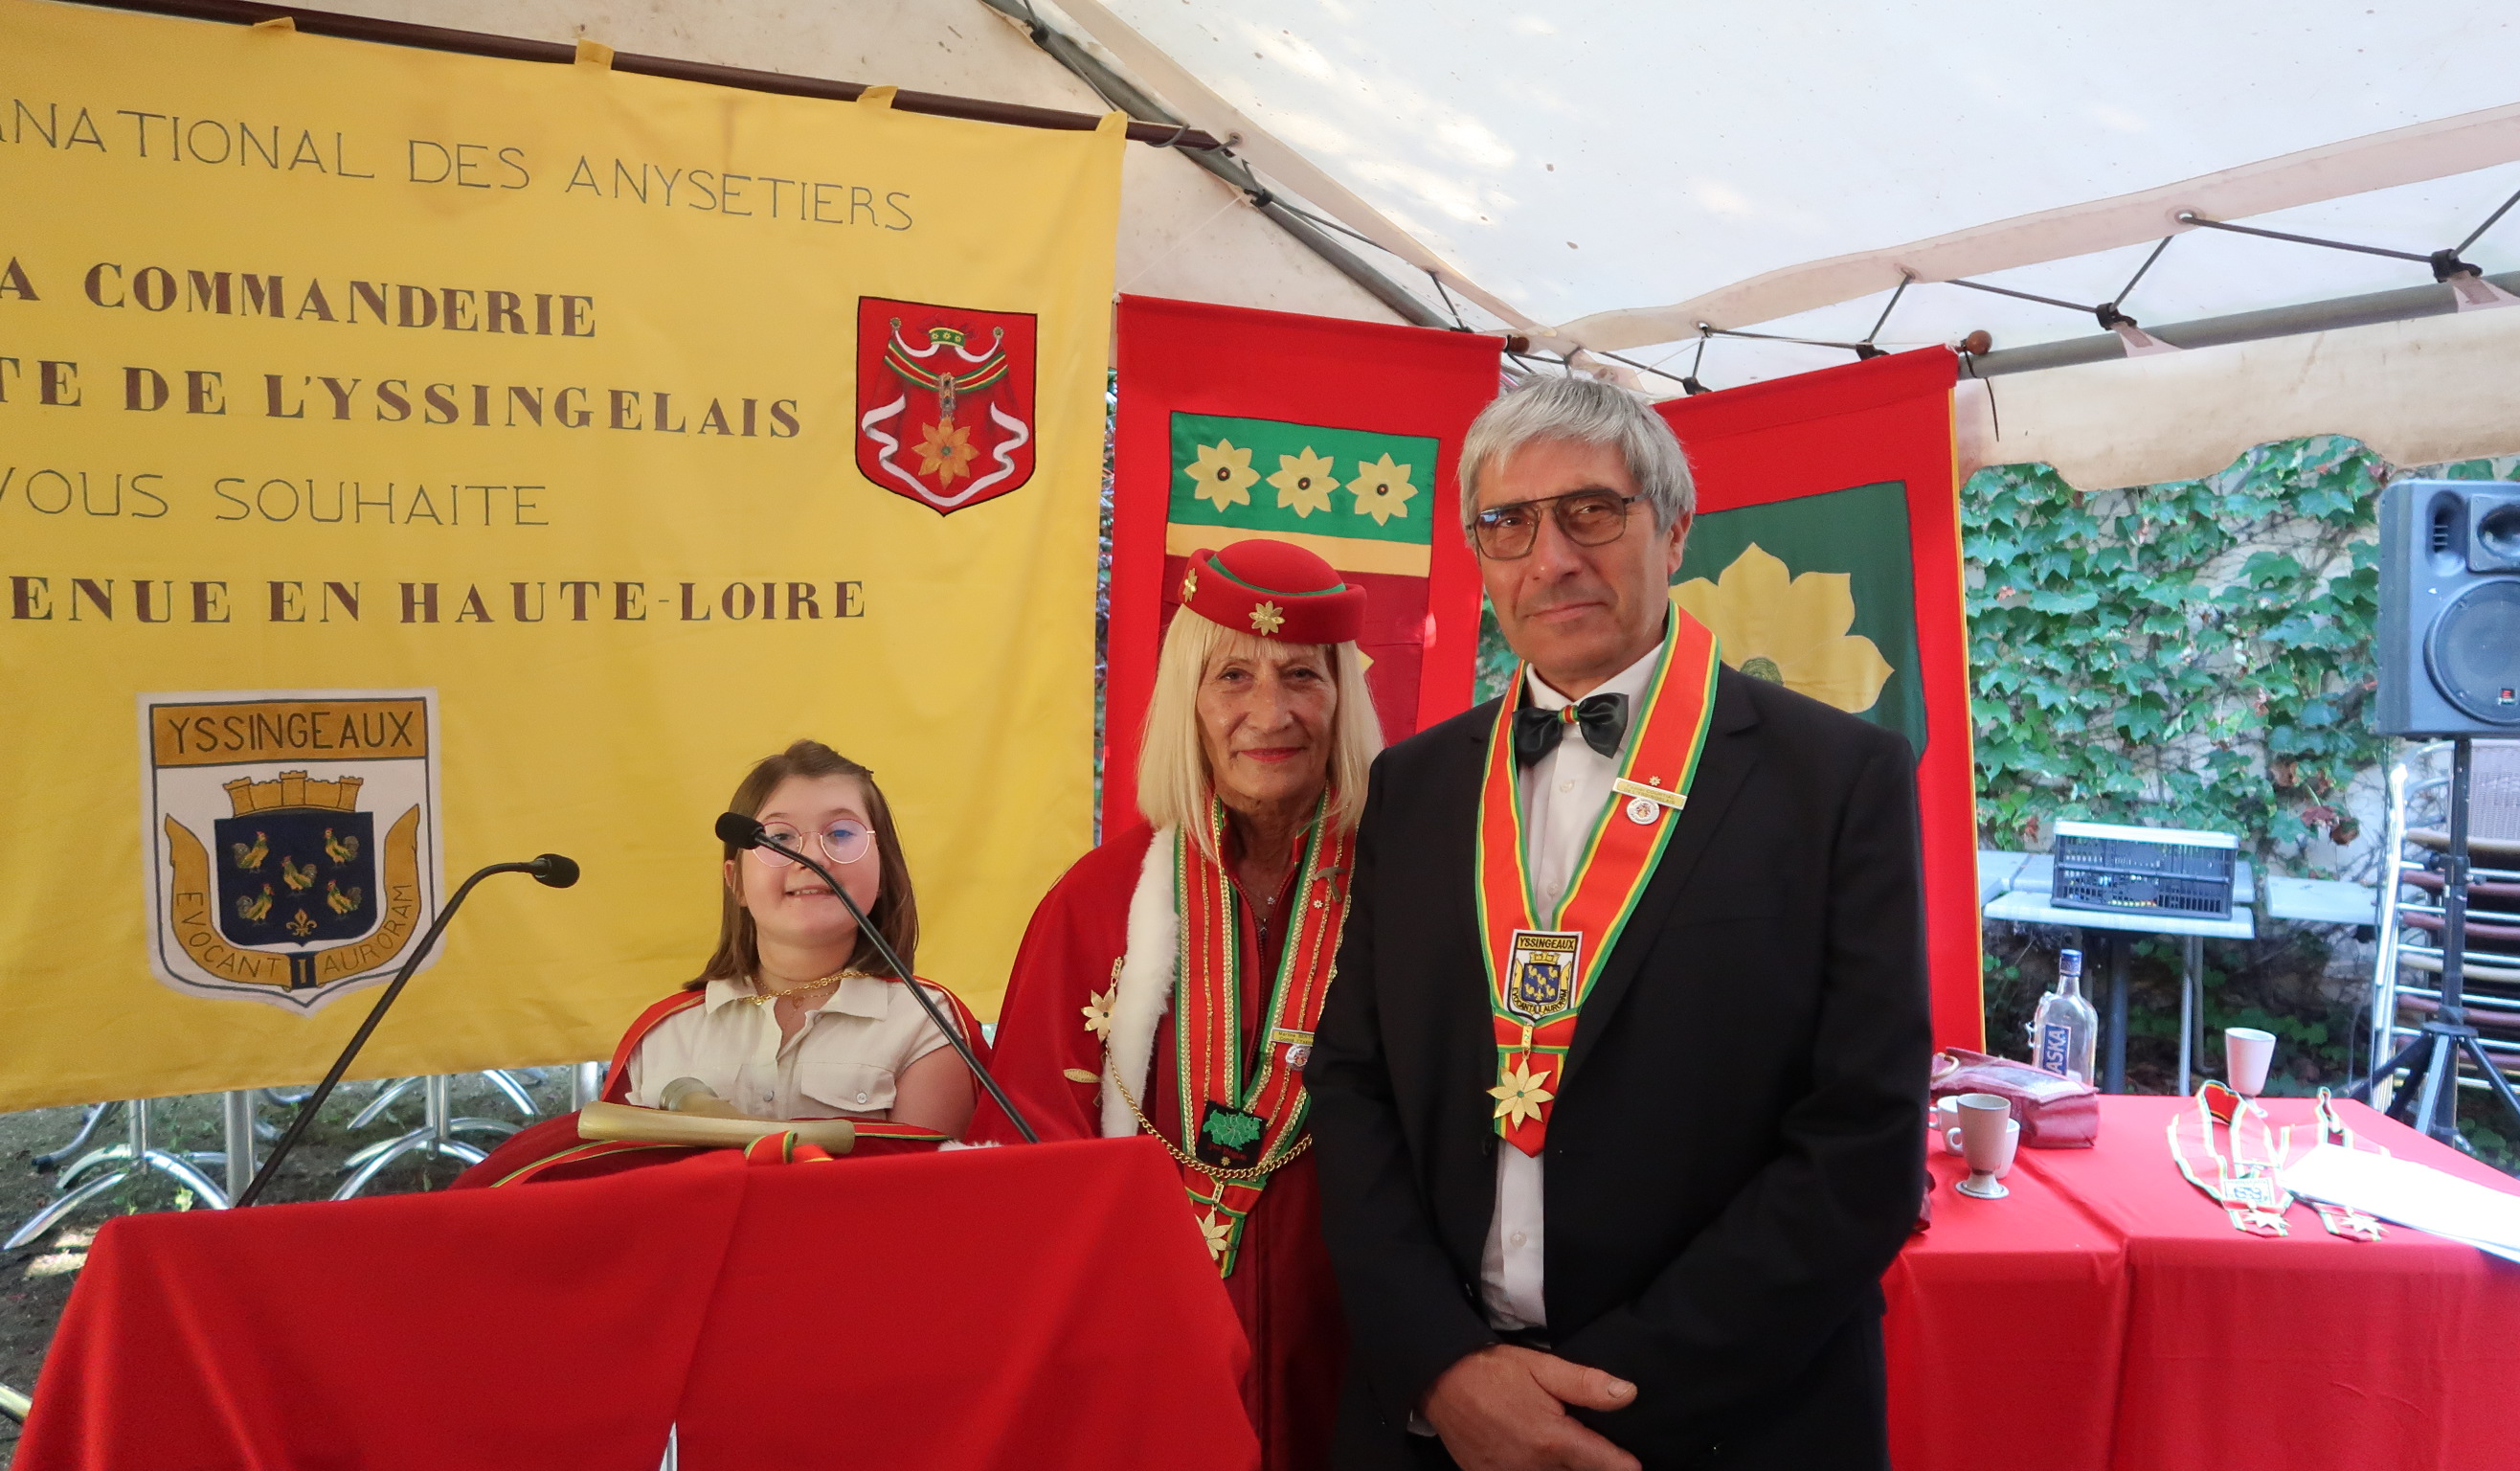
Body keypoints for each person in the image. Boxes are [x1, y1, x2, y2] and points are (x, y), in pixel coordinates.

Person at [1309, 376, 1931, 1470]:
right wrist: (1445, 1369)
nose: (1550, 558)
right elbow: (1354, 1087)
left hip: (1727, 1424)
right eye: (1508, 523)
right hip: (1437, 1423)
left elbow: (1863, 1143)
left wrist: (1591, 1411)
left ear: (1675, 530)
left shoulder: (1840, 780)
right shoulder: (1411, 787)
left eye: (1591, 512)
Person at [975, 538, 1386, 1471]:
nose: (1268, 713)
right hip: (1149, 1368)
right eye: (1231, 676)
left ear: (1343, 696)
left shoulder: (1413, 886)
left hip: (1366, 1368)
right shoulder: (1096, 902)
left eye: (1301, 676)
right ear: (1186, 700)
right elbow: (1029, 1145)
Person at [617, 737, 979, 1137]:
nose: (814, 858)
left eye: (841, 833)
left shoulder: (926, 1023)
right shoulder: (663, 1035)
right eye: (779, 838)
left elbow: (925, 1175)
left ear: (883, 877)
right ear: (736, 882)